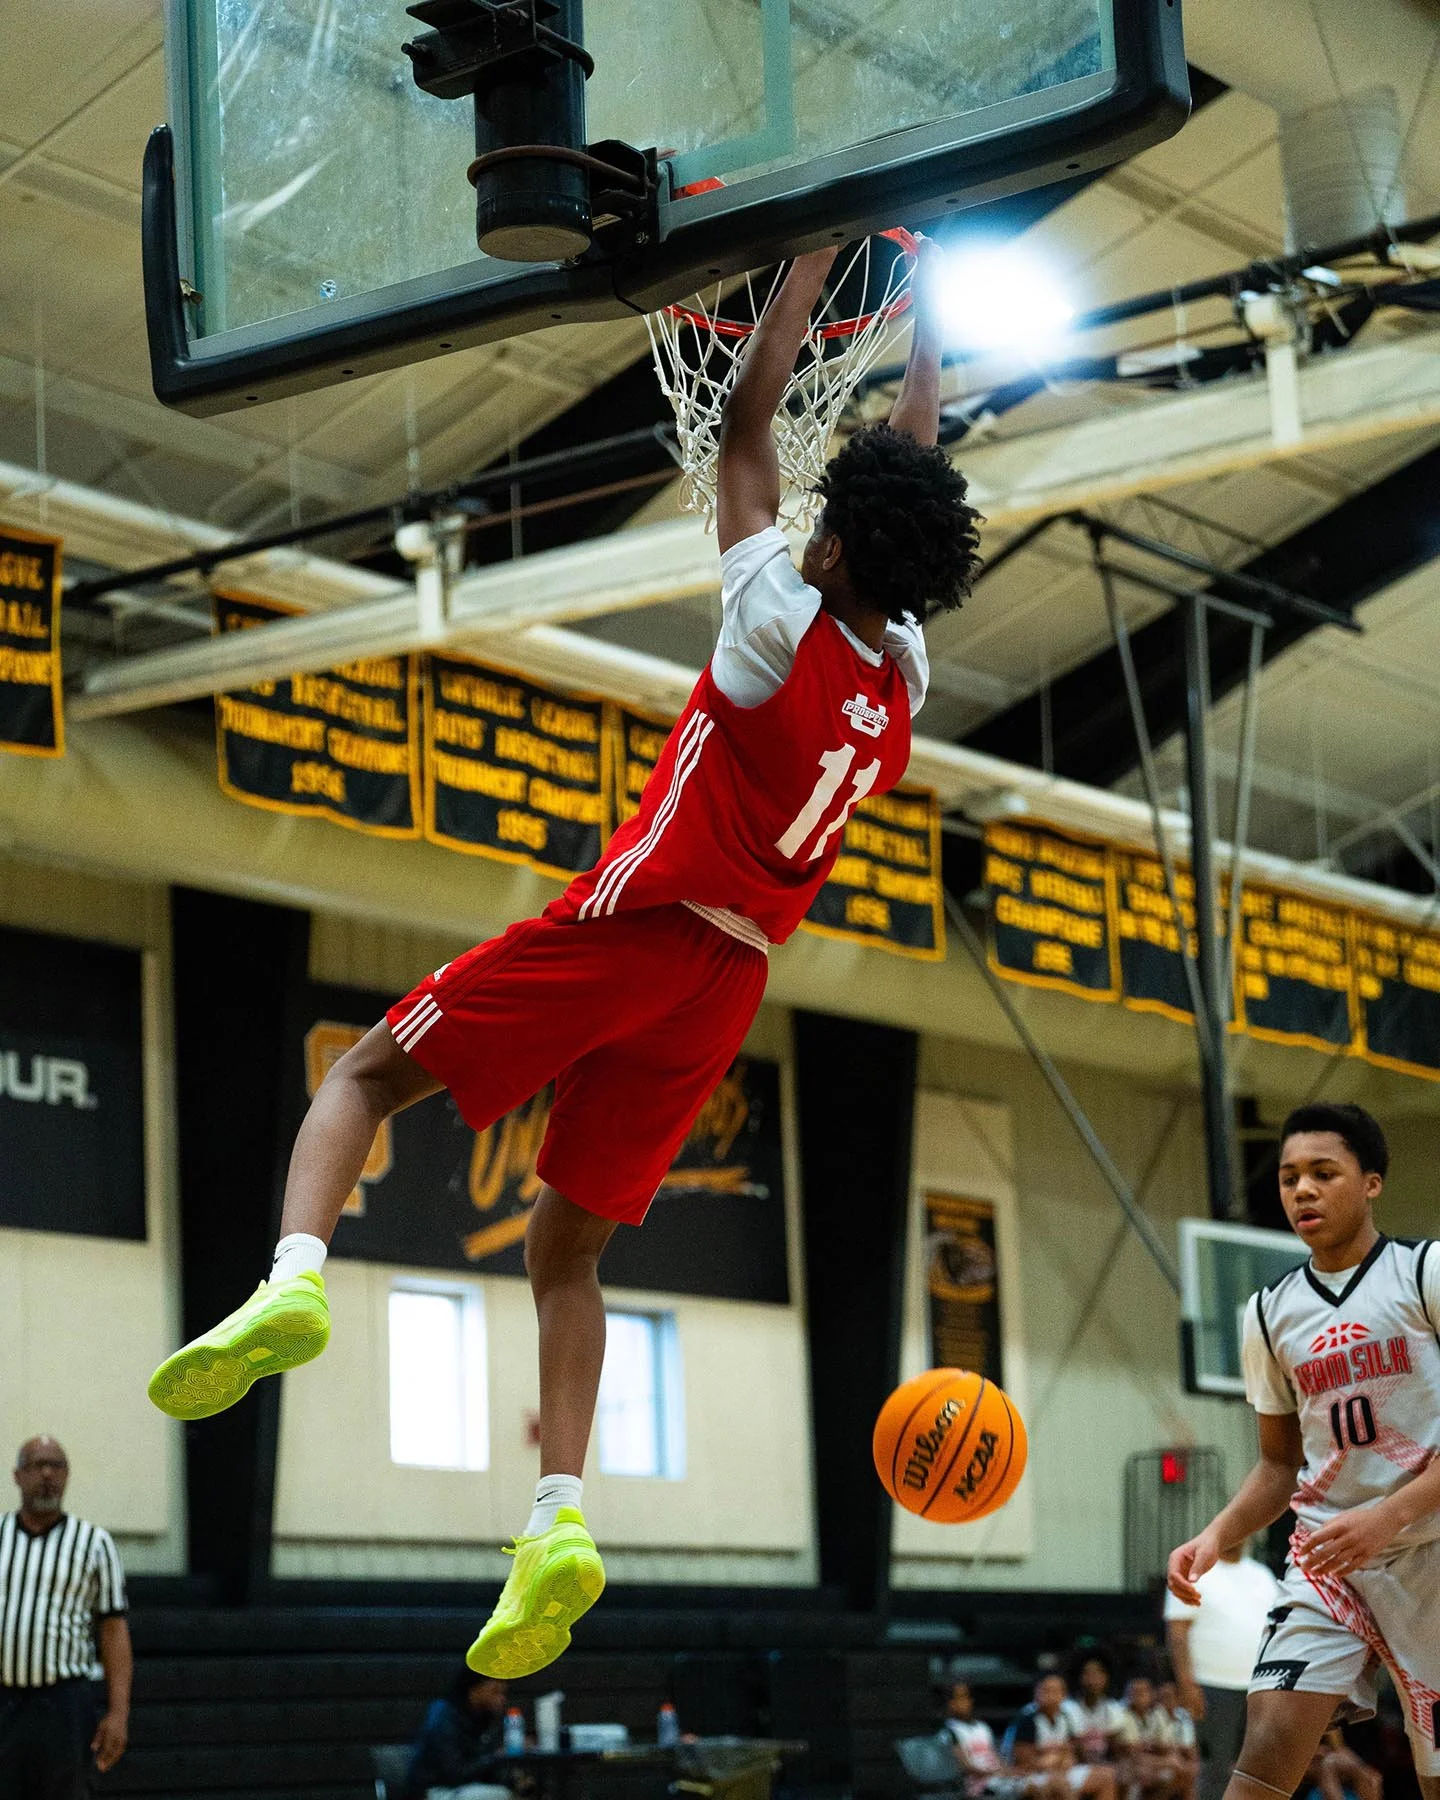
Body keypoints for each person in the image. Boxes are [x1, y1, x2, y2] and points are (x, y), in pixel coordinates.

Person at [146, 237, 983, 1682]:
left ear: (835, 545)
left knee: (360, 1075)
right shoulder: (899, 676)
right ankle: (556, 1518)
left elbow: (743, 433)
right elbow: (913, 469)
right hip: (727, 990)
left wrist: (805, 261)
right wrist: (929, 342)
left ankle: (293, 1275)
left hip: (643, 929)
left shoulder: (775, 622)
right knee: (564, 1249)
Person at [1167, 1101, 1440, 1800]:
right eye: (1290, 1178)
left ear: (1371, 1182)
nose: (1303, 1191)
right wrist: (1215, 1535)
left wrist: (1389, 1516)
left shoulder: (1423, 1274)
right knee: (1267, 1746)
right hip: (1326, 1558)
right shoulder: (1266, 1314)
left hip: (1429, 1553)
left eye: (1324, 1173)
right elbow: (1278, 1465)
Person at [0, 1437, 131, 1799]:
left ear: (67, 1475)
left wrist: (119, 1713)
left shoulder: (94, 1542)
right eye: (36, 1465)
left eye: (56, 1466)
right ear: (16, 1475)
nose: (47, 1474)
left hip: (65, 1708)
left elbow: (114, 1630)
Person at [1163, 1541, 1282, 1800]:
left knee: (1259, 1768)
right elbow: (1177, 1633)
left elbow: (1279, 1628)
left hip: (1259, 1688)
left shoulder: (1262, 1575)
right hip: (1211, 1688)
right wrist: (1187, 1685)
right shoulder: (1194, 1573)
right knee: (1214, 1768)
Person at [405, 1670, 520, 1800]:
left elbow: (486, 1768)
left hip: (469, 1786)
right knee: (499, 1795)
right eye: (495, 1692)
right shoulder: (444, 1716)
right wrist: (495, 1758)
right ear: (474, 1689)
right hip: (435, 1790)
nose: (501, 1699)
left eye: (503, 1693)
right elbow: (453, 1774)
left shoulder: (484, 1718)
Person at [1004, 1675, 1118, 1800]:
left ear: (1063, 1695)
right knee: (1059, 1785)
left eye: (1055, 1691)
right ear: (1036, 1693)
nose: (1050, 1695)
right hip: (1029, 1775)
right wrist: (1051, 1760)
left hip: (1061, 1770)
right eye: (1046, 1690)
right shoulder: (1026, 1720)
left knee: (1107, 1776)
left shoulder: (1065, 1717)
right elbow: (1022, 1762)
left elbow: (1073, 1750)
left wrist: (1065, 1758)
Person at [943, 1680, 1039, 1800]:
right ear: (948, 1703)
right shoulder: (949, 1730)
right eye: (955, 1698)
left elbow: (994, 1757)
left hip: (995, 1777)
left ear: (971, 1700)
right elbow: (966, 1767)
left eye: (964, 1697)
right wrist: (1000, 1773)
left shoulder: (982, 1727)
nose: (960, 1703)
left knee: (1041, 1784)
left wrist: (1010, 1771)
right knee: (1032, 1790)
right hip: (976, 1783)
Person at [1121, 1677, 1195, 1800]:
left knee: (1186, 1773)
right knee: (1174, 1765)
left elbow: (1187, 1748)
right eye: (1134, 1692)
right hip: (1134, 1763)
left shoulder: (1175, 1715)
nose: (1138, 1697)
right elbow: (1133, 1748)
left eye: (1142, 1693)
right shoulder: (1125, 1713)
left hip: (1152, 1762)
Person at [1064, 1657, 1134, 1768]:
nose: (1093, 1679)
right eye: (1087, 1673)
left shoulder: (1115, 1708)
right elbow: (1074, 1742)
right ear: (1079, 1677)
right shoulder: (1067, 1708)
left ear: (1106, 1677)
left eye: (1098, 1673)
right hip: (1076, 1764)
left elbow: (1115, 1743)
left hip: (1107, 1763)